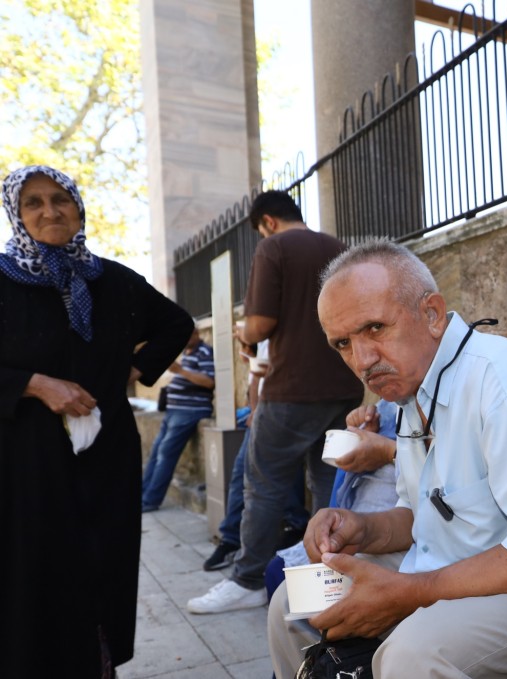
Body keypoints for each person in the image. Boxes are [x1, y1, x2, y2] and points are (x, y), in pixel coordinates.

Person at [268, 240, 507, 678]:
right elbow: (420, 515)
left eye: (375, 328)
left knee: (412, 656)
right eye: (342, 343)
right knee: (293, 601)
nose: (362, 360)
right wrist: (362, 528)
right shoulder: (407, 388)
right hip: (445, 568)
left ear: (432, 314)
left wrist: (410, 592)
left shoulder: (504, 382)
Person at [0, 165, 194, 677]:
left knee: (100, 565)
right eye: (34, 203)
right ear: (16, 215)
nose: (49, 211)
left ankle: (97, 664)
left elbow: (177, 324)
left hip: (106, 457)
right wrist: (36, 384)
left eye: (61, 199)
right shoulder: (3, 279)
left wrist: (131, 371)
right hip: (25, 459)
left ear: (79, 208)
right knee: (36, 571)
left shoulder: (113, 280)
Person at [187, 190, 364, 614]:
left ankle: (248, 579)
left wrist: (244, 334)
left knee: (263, 484)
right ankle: (330, 573)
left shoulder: (274, 247)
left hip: (290, 390)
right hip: (344, 385)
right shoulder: (340, 247)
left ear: (266, 221)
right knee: (330, 483)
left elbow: (261, 323)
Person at [266, 399, 402, 676]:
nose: (362, 362)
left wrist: (390, 452)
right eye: (344, 351)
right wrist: (363, 434)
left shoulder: (474, 388)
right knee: (282, 581)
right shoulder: (389, 403)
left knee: (292, 594)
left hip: (414, 548)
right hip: (371, 525)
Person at [203, 340, 308, 571]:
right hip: (264, 410)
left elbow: (264, 371)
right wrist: (254, 410)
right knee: (244, 474)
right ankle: (232, 538)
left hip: (281, 408)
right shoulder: (264, 336)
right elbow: (256, 374)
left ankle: (293, 527)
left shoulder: (281, 324)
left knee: (260, 475)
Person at [140, 326, 215, 512]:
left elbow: (209, 381)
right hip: (174, 411)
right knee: (156, 452)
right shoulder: (186, 352)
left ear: (196, 334)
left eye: (187, 336)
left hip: (190, 411)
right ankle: (142, 495)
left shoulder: (205, 352)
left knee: (165, 453)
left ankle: (150, 500)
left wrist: (180, 371)